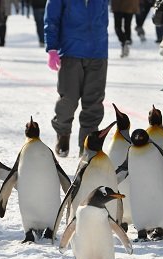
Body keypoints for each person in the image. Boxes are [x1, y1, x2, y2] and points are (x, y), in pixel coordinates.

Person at [44, 0, 109, 157]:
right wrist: (52, 47)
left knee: (94, 102)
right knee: (68, 98)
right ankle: (63, 133)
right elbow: (52, 17)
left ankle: (87, 145)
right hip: (71, 50)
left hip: (98, 51)